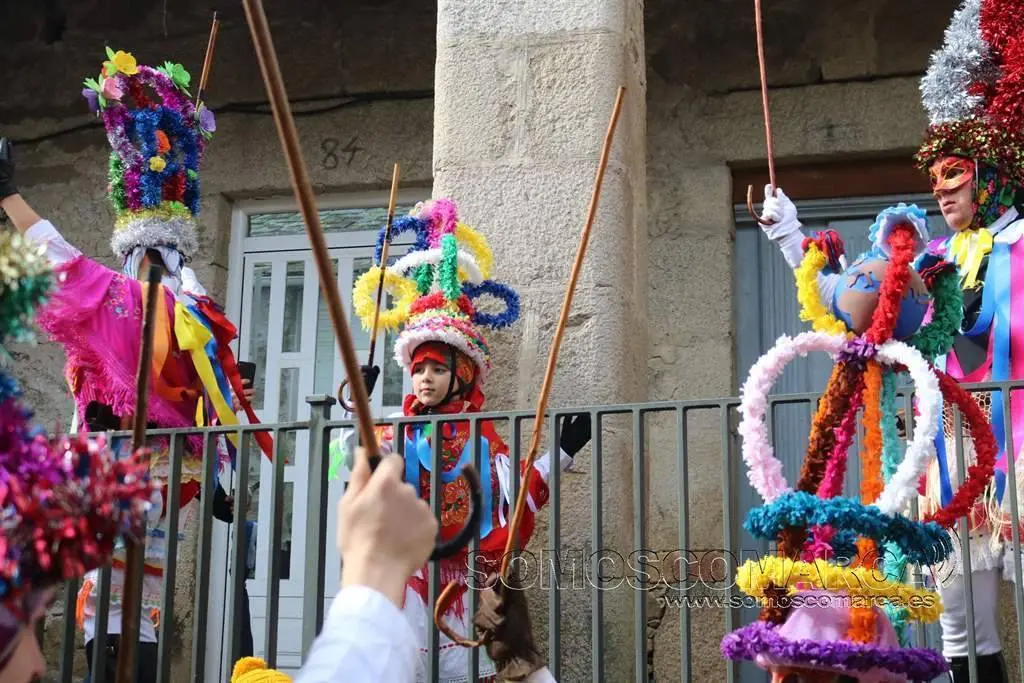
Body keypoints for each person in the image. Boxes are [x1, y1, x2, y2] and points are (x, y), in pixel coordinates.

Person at [0, 47, 269, 683]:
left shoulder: (128, 299)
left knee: (110, 599)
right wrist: (223, 476)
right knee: (137, 596)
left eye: (147, 256)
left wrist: (10, 196)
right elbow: (222, 394)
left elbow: (55, 258)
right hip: (163, 472)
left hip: (127, 466)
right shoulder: (201, 310)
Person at [329, 199, 591, 681]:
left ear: (461, 373)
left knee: (468, 669)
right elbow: (359, 464)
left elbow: (519, 490)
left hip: (468, 578)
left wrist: (564, 453)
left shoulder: (483, 435)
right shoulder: (397, 428)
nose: (424, 379)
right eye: (419, 369)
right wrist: (358, 407)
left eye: (437, 368)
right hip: (409, 575)